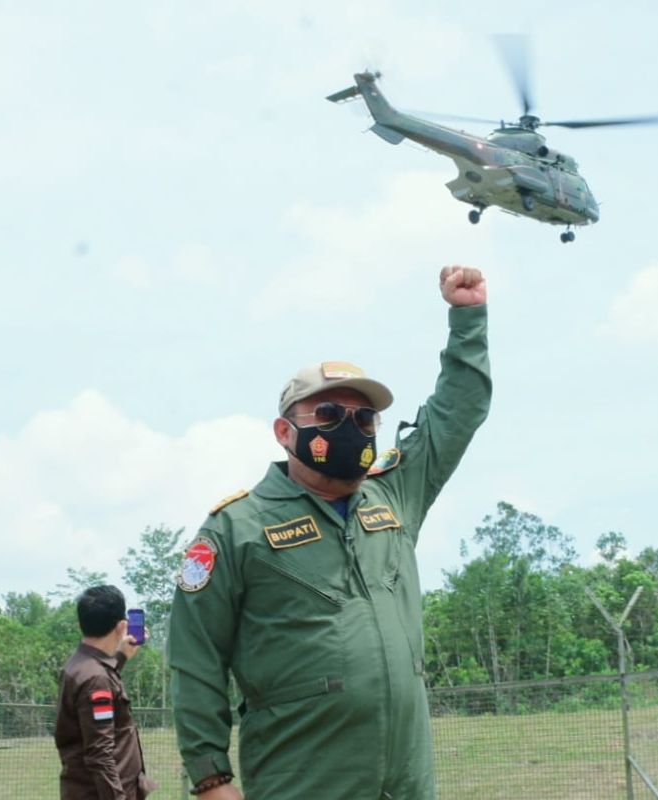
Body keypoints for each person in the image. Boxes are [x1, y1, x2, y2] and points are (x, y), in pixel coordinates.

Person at [168, 266, 491, 799]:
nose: (352, 428)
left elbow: (458, 412)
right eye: (330, 413)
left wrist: (467, 318)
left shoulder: (393, 496)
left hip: (405, 785)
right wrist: (211, 780)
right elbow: (195, 658)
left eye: (366, 421)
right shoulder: (236, 529)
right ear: (284, 431)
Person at [55, 585, 159, 799]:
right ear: (122, 626)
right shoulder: (96, 678)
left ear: (80, 623)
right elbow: (100, 755)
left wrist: (120, 657)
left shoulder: (78, 666)